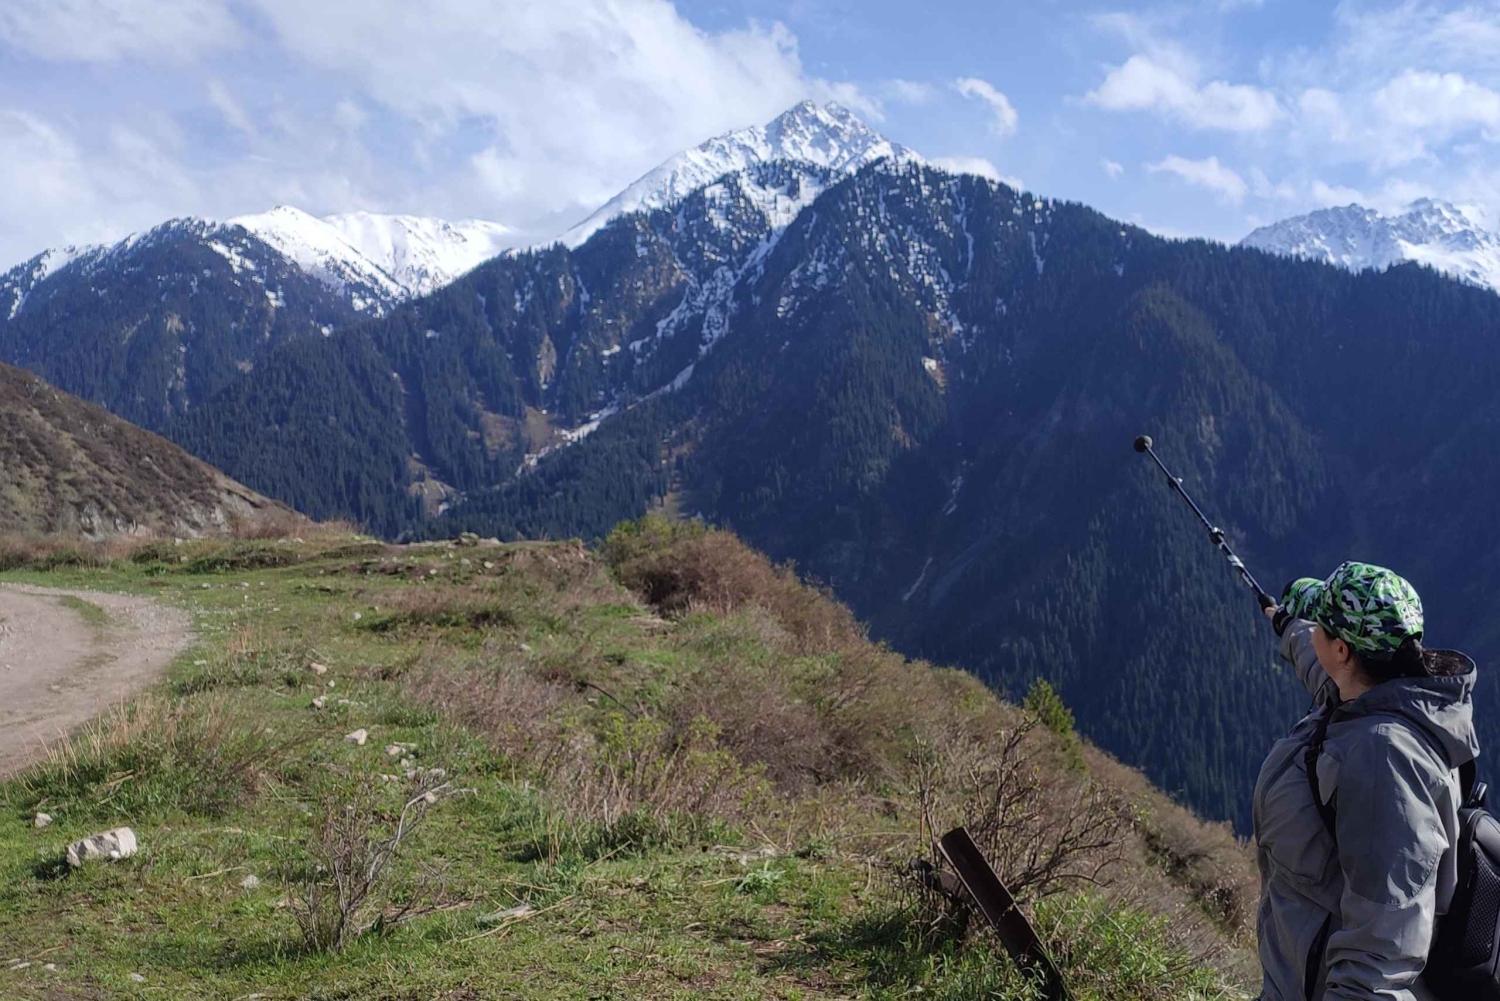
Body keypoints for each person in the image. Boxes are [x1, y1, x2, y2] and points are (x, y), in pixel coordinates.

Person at [1255, 561, 1479, 1000]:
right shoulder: (1374, 694)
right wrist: (1286, 624)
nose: (1313, 631)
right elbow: (1318, 662)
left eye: (1320, 626)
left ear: (1342, 651)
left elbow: (1382, 953)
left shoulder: (1384, 762)